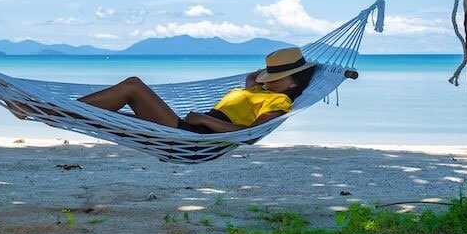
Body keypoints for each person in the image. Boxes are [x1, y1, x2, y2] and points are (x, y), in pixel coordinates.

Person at [76, 47, 316, 133]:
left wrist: (205, 120)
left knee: (133, 86)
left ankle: (63, 111)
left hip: (195, 138)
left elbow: (249, 134)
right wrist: (277, 70)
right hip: (190, 127)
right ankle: (67, 111)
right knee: (129, 89)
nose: (270, 79)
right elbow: (252, 75)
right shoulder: (259, 89)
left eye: (278, 76)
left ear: (293, 82)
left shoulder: (278, 103)